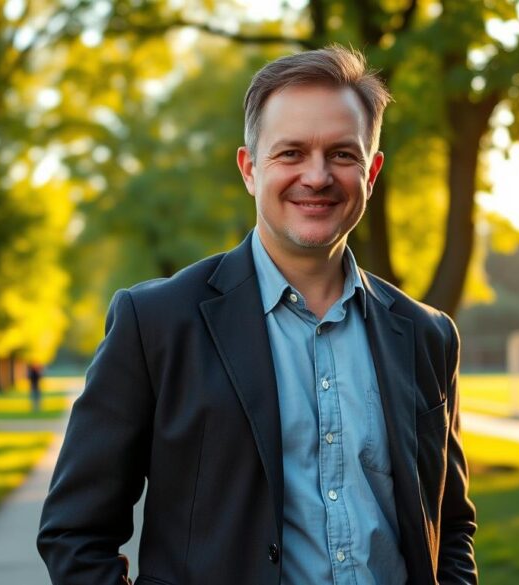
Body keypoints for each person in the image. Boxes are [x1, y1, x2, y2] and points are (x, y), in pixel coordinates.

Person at [38, 45, 477, 585]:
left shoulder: (428, 335)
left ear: (372, 172)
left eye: (343, 154)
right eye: (290, 153)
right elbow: (75, 534)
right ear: (249, 169)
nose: (316, 177)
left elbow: (450, 528)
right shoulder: (154, 323)